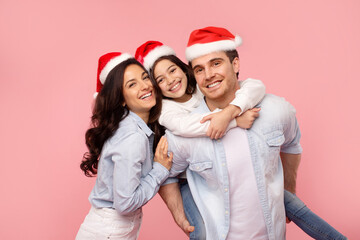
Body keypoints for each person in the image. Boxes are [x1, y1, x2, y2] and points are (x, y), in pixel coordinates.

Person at [157, 26, 347, 240]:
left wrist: (288, 189)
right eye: (199, 69)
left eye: (216, 63)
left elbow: (292, 144)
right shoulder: (184, 133)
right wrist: (180, 216)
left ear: (235, 63)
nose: (209, 75)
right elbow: (167, 175)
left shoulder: (276, 110)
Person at [135, 41, 265, 239]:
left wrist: (231, 110)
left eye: (172, 70)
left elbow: (254, 85)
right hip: (183, 180)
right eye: (161, 79)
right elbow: (189, 126)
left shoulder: (201, 87)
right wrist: (234, 121)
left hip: (210, 170)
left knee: (278, 198)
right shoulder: (164, 111)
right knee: (201, 231)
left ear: (184, 69)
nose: (170, 80)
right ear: (157, 88)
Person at [76, 52, 173, 240]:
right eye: (132, 84)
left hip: (109, 227)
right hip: (109, 231)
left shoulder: (131, 126)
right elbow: (126, 204)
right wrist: (160, 170)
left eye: (145, 77)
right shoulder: (132, 137)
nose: (145, 86)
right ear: (121, 99)